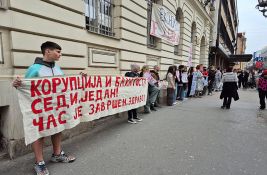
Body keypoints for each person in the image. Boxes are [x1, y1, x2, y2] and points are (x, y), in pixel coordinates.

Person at [13, 41, 76, 175]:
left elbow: (65, 85)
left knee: (57, 128)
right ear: (47, 51)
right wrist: (16, 83)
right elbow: (25, 87)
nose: (60, 54)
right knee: (38, 133)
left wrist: (80, 79)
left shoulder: (58, 69)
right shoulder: (34, 69)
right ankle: (39, 162)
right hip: (39, 108)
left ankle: (57, 154)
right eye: (58, 52)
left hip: (56, 108)